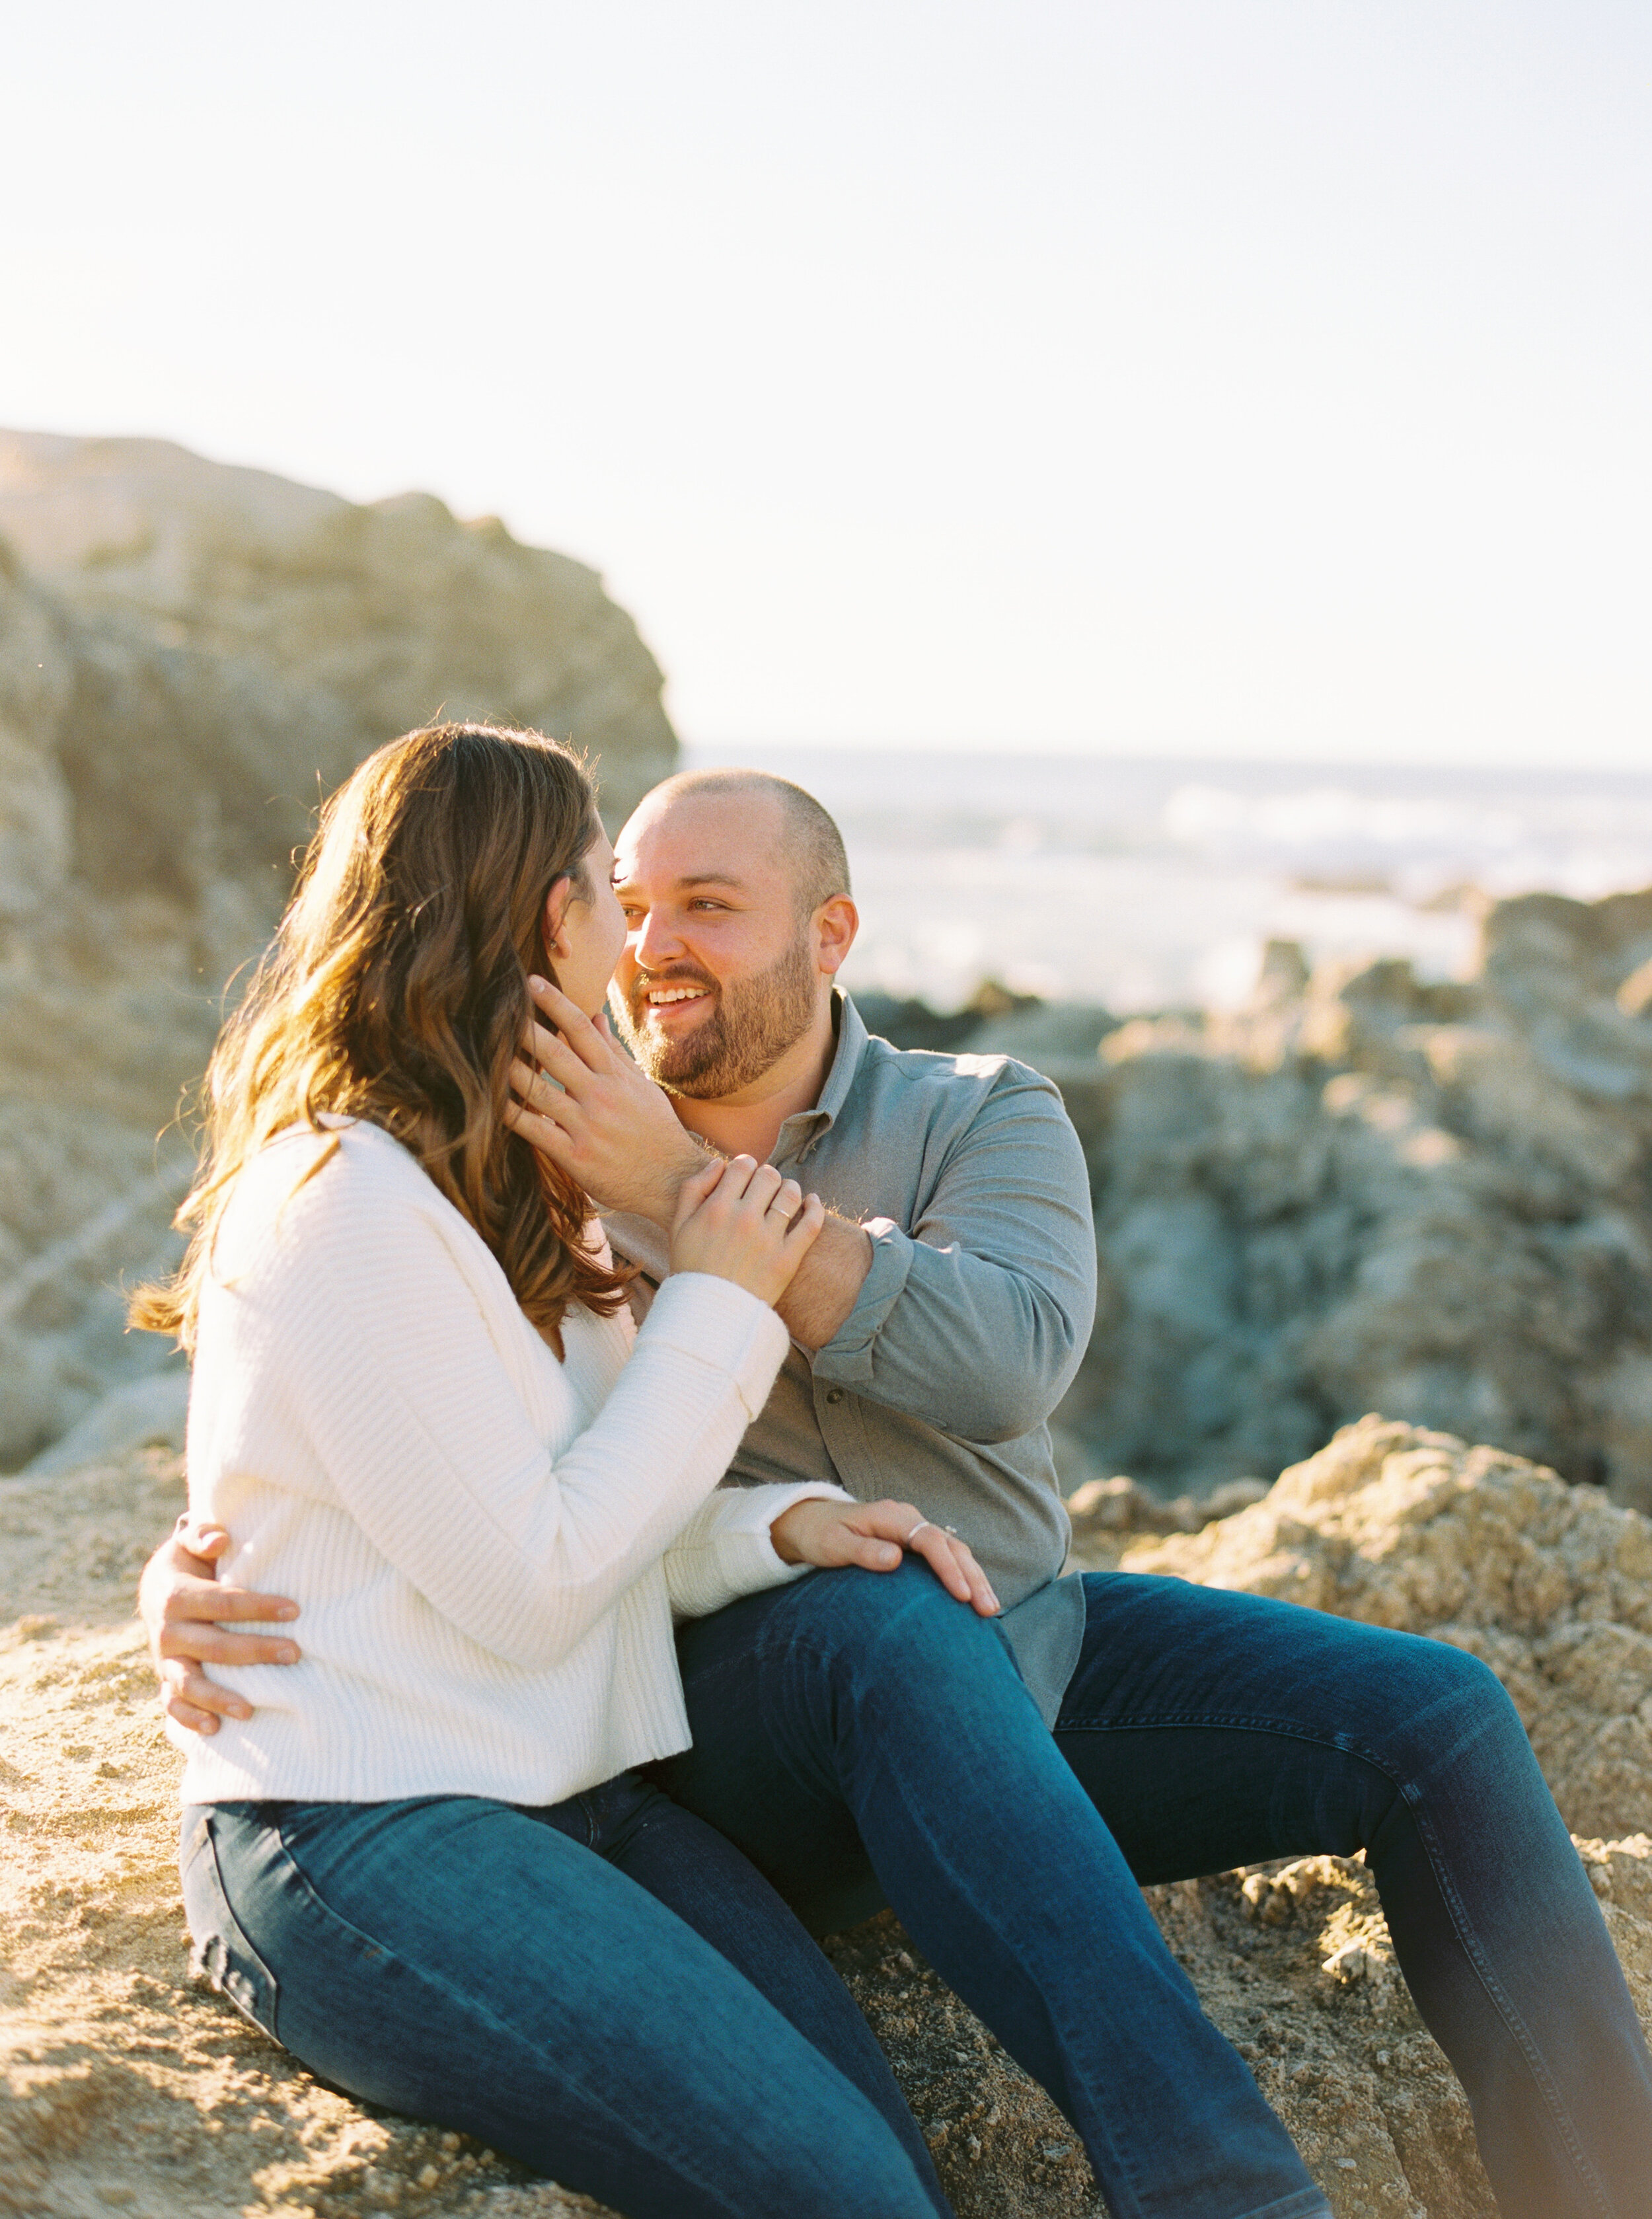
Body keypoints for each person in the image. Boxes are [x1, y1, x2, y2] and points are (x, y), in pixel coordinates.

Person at [144, 765, 1652, 2219]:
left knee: (1435, 1715)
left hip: (1012, 1636)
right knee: (888, 1624)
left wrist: (691, 1201)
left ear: (829, 933)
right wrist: (212, 1561)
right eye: (632, 899)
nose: (656, 941)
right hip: (736, 1716)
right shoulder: (528, 1153)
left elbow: (1005, 1364)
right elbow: (380, 1405)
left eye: (709, 904)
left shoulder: (970, 1113)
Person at [133, 722, 1000, 2219]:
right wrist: (723, 1298)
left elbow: (589, 1507)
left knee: (888, 2168)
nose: (636, 926)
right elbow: (535, 1587)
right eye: (610, 884)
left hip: (576, 1793)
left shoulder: (515, 1180)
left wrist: (774, 1526)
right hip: (367, 1829)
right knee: (845, 2197)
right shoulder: (332, 1202)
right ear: (553, 917)